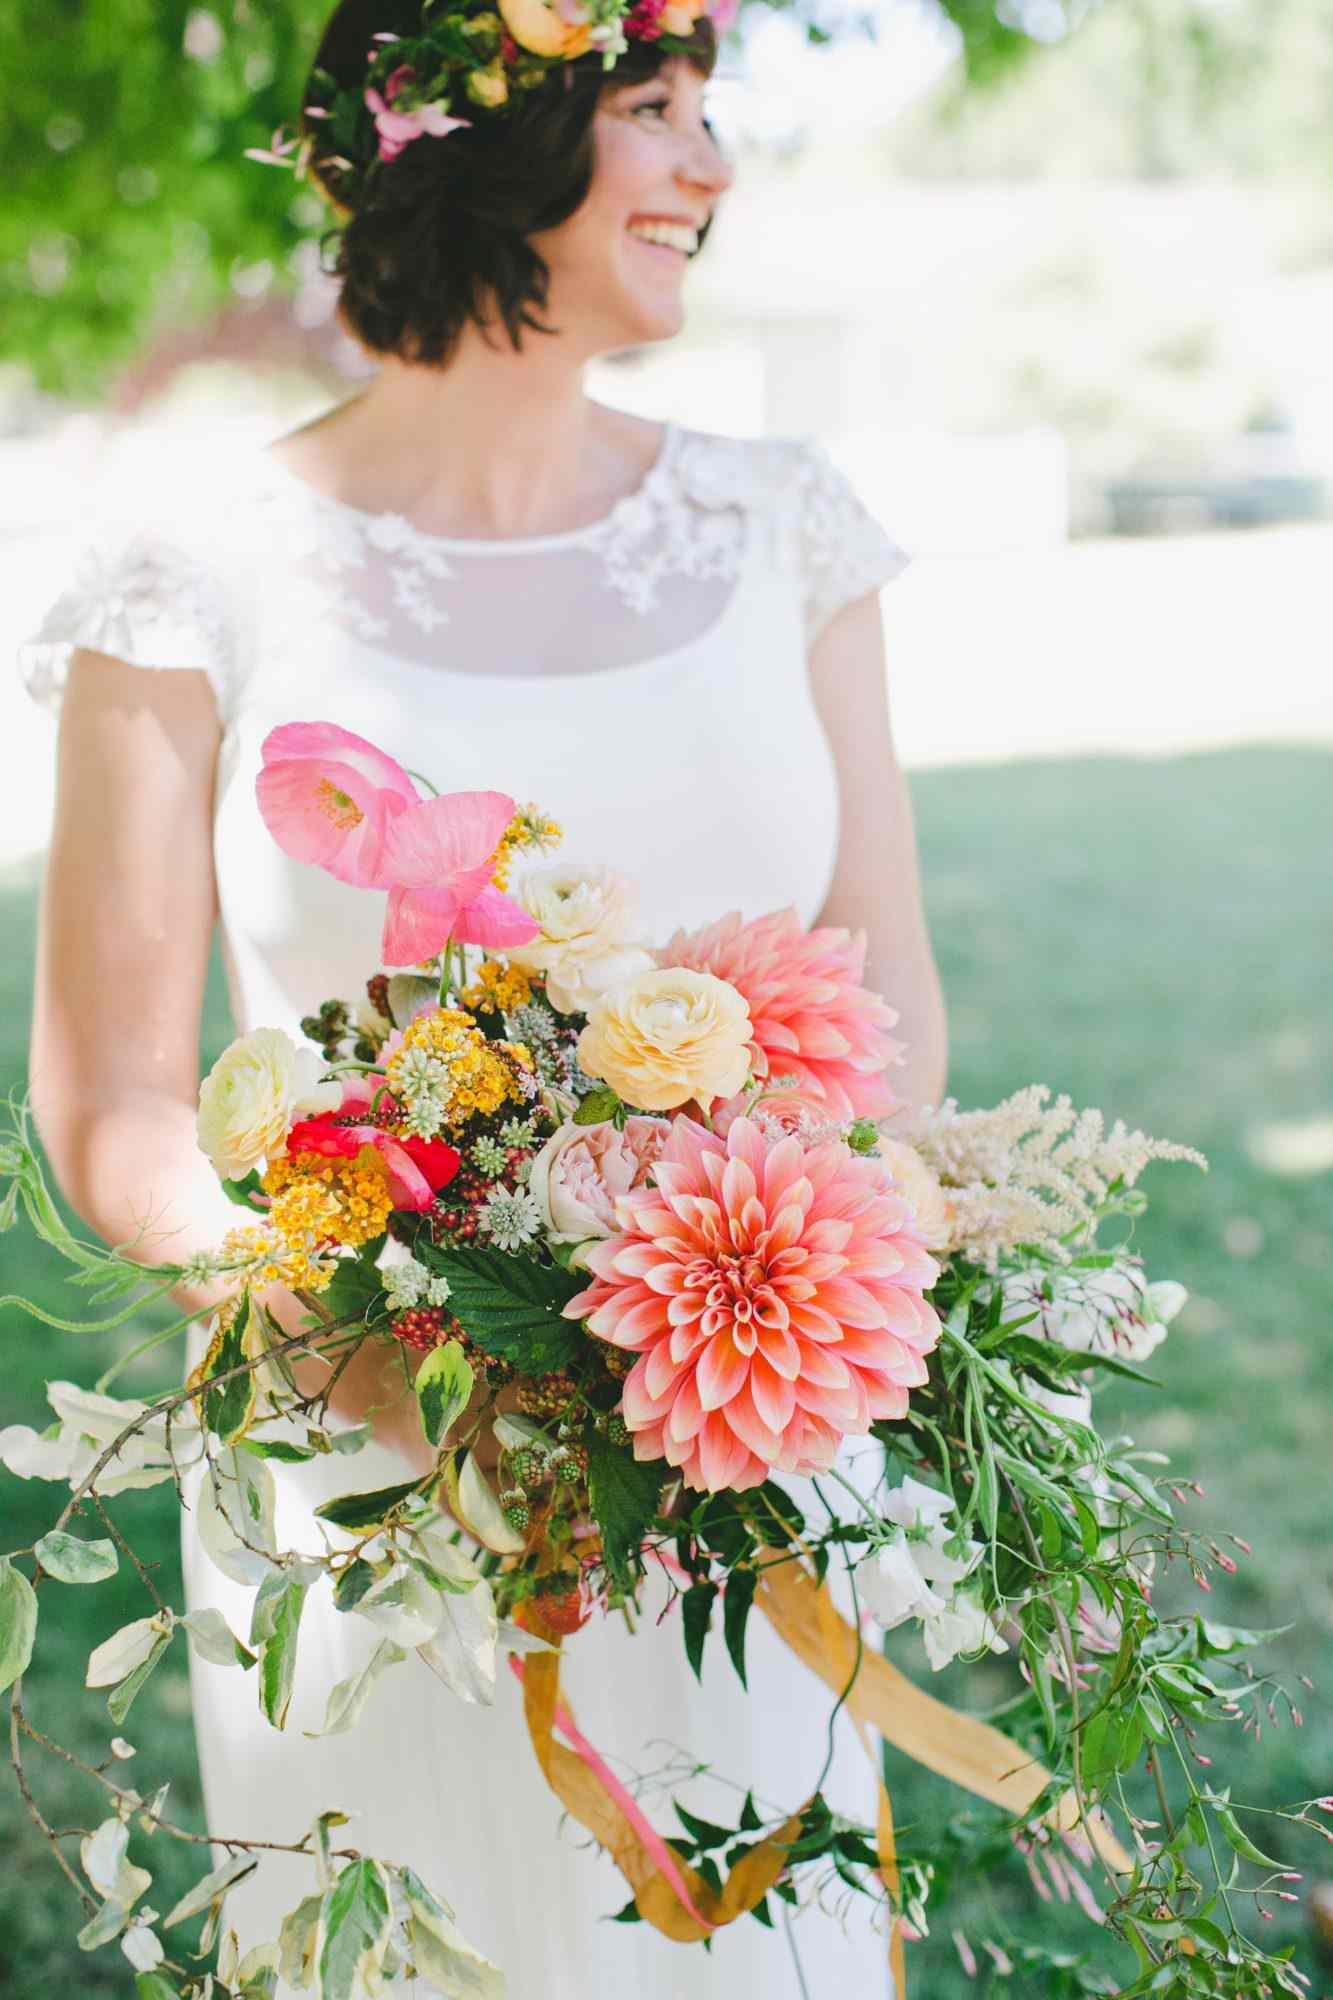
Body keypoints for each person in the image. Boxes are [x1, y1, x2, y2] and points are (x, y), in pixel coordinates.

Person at [21, 0, 947, 1991]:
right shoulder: (185, 569)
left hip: (741, 1423)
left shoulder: (795, 530)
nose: (713, 164)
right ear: (483, 140)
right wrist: (363, 1323)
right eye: (651, 109)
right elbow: (111, 1091)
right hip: (369, 1461)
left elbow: (890, 1000)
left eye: (716, 111)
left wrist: (782, 1301)